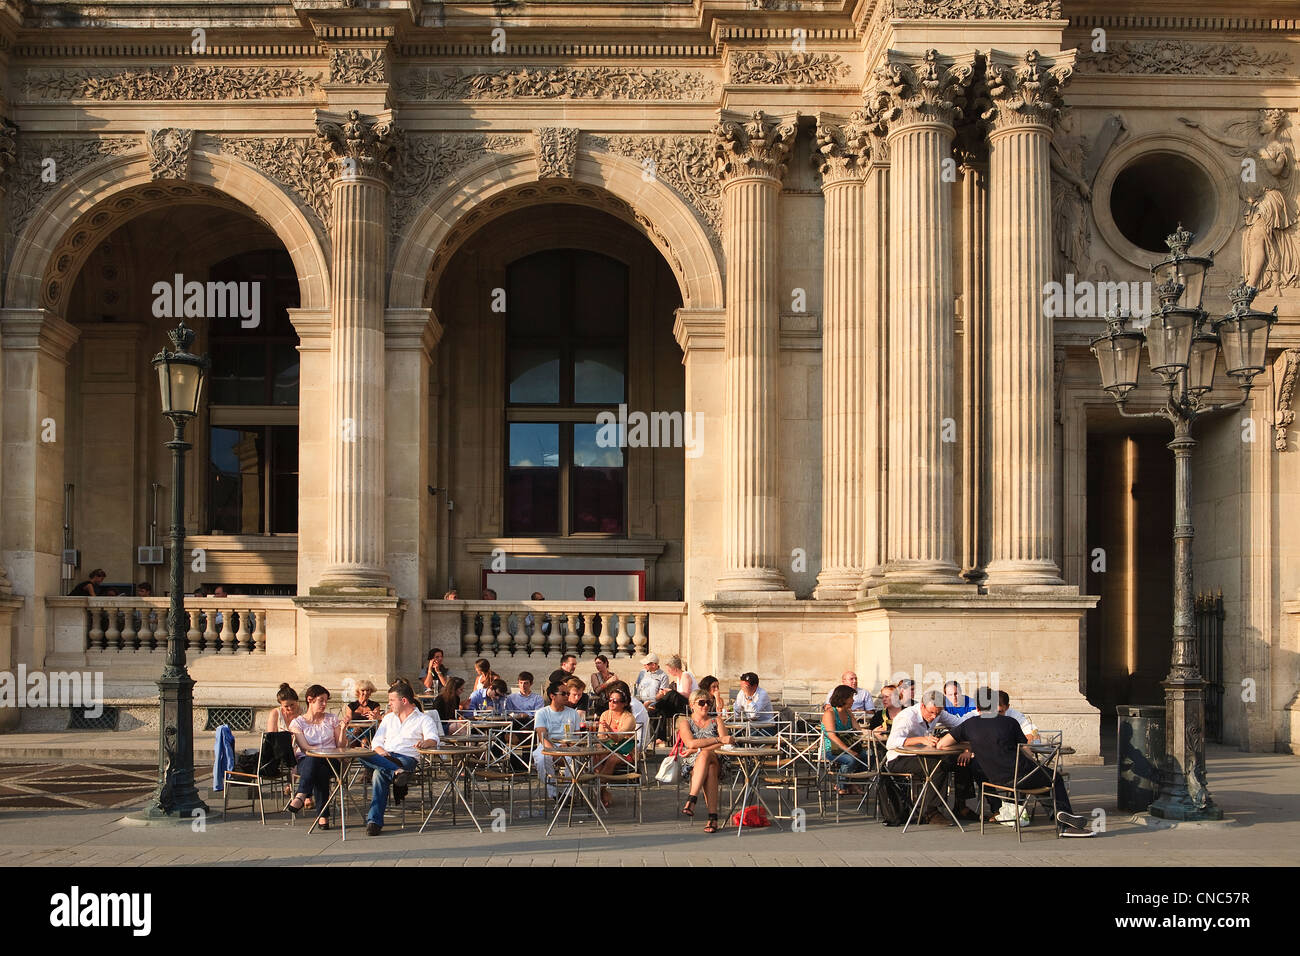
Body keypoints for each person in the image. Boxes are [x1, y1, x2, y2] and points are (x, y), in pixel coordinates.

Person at [938, 687, 1092, 836]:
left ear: (977, 709)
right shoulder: (1009, 722)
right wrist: (1035, 763)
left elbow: (942, 744)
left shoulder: (968, 725)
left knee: (1042, 780)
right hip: (1019, 775)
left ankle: (1058, 815)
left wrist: (971, 745)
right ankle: (1064, 824)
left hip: (992, 779)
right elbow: (1025, 750)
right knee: (1054, 778)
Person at [358, 680, 442, 836]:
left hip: (407, 758)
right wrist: (382, 752)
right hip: (385, 754)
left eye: (391, 700)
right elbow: (376, 742)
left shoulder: (423, 719)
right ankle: (397, 771)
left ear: (403, 701)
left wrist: (425, 743)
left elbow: (434, 739)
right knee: (360, 754)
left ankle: (374, 821)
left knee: (378, 773)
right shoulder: (389, 719)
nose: (389, 704)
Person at [884, 690, 967, 826]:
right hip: (899, 758)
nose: (934, 717)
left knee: (961, 761)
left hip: (923, 755)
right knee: (938, 766)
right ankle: (931, 811)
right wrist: (920, 739)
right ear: (922, 706)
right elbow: (891, 743)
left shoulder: (938, 712)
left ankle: (961, 805)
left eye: (938, 713)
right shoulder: (907, 717)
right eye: (931, 712)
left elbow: (960, 724)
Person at [286, 684, 350, 829]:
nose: (324, 704)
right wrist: (321, 751)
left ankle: (302, 794)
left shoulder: (331, 719)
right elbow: (305, 747)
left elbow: (340, 746)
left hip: (331, 761)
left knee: (319, 765)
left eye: (326, 701)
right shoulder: (298, 723)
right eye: (321, 700)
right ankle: (323, 816)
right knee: (315, 762)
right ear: (310, 700)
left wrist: (343, 730)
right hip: (307, 761)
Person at [677, 689, 733, 833]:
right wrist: (718, 739)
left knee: (706, 754)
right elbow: (690, 743)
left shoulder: (717, 721)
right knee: (710, 768)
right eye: (701, 702)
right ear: (692, 705)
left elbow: (724, 745)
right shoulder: (685, 723)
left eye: (709, 702)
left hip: (719, 758)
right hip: (693, 764)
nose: (706, 706)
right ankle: (712, 818)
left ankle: (692, 798)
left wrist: (699, 749)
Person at [532, 680, 582, 800]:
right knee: (542, 758)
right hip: (548, 746)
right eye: (563, 693)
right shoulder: (542, 713)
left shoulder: (573, 713)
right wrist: (557, 751)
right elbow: (543, 738)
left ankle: (568, 794)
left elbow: (578, 736)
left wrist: (568, 745)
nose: (567, 696)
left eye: (567, 693)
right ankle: (553, 793)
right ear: (552, 696)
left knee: (575, 760)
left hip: (568, 746)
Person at [823, 684, 872, 794]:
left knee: (870, 755)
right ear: (843, 698)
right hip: (831, 749)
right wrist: (850, 751)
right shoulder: (829, 713)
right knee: (850, 759)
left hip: (850, 746)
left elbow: (858, 731)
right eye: (851, 697)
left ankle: (854, 782)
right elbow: (832, 737)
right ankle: (841, 785)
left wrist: (872, 732)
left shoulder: (848, 712)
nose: (853, 700)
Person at [594, 687, 638, 807]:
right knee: (597, 754)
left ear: (624, 704)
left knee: (612, 758)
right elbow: (600, 737)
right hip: (609, 748)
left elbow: (619, 738)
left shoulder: (629, 718)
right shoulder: (605, 714)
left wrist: (608, 729)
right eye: (610, 700)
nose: (611, 703)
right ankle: (603, 791)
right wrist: (600, 746)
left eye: (615, 701)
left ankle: (598, 786)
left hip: (626, 751)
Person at [633, 654, 672, 744]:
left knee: (654, 711)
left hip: (654, 703)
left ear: (653, 665)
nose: (644, 666)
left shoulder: (663, 676)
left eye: (646, 664)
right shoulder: (642, 673)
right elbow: (637, 687)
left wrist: (649, 702)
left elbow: (662, 693)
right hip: (639, 701)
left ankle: (655, 738)